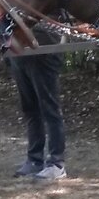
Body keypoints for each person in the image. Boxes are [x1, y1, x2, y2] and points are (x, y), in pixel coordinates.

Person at [10, 30, 67, 182]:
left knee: (50, 108)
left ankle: (57, 163)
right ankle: (34, 159)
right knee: (29, 109)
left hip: (45, 49)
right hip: (19, 52)